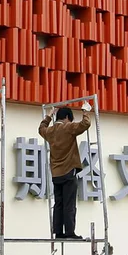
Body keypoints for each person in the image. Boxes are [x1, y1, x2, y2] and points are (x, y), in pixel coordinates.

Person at [38, 102, 92, 239]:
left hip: (55, 173)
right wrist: (85, 112)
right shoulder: (68, 128)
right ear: (67, 117)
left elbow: (41, 128)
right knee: (69, 203)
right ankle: (69, 232)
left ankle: (58, 232)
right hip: (68, 171)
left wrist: (49, 116)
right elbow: (85, 124)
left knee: (59, 203)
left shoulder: (49, 131)